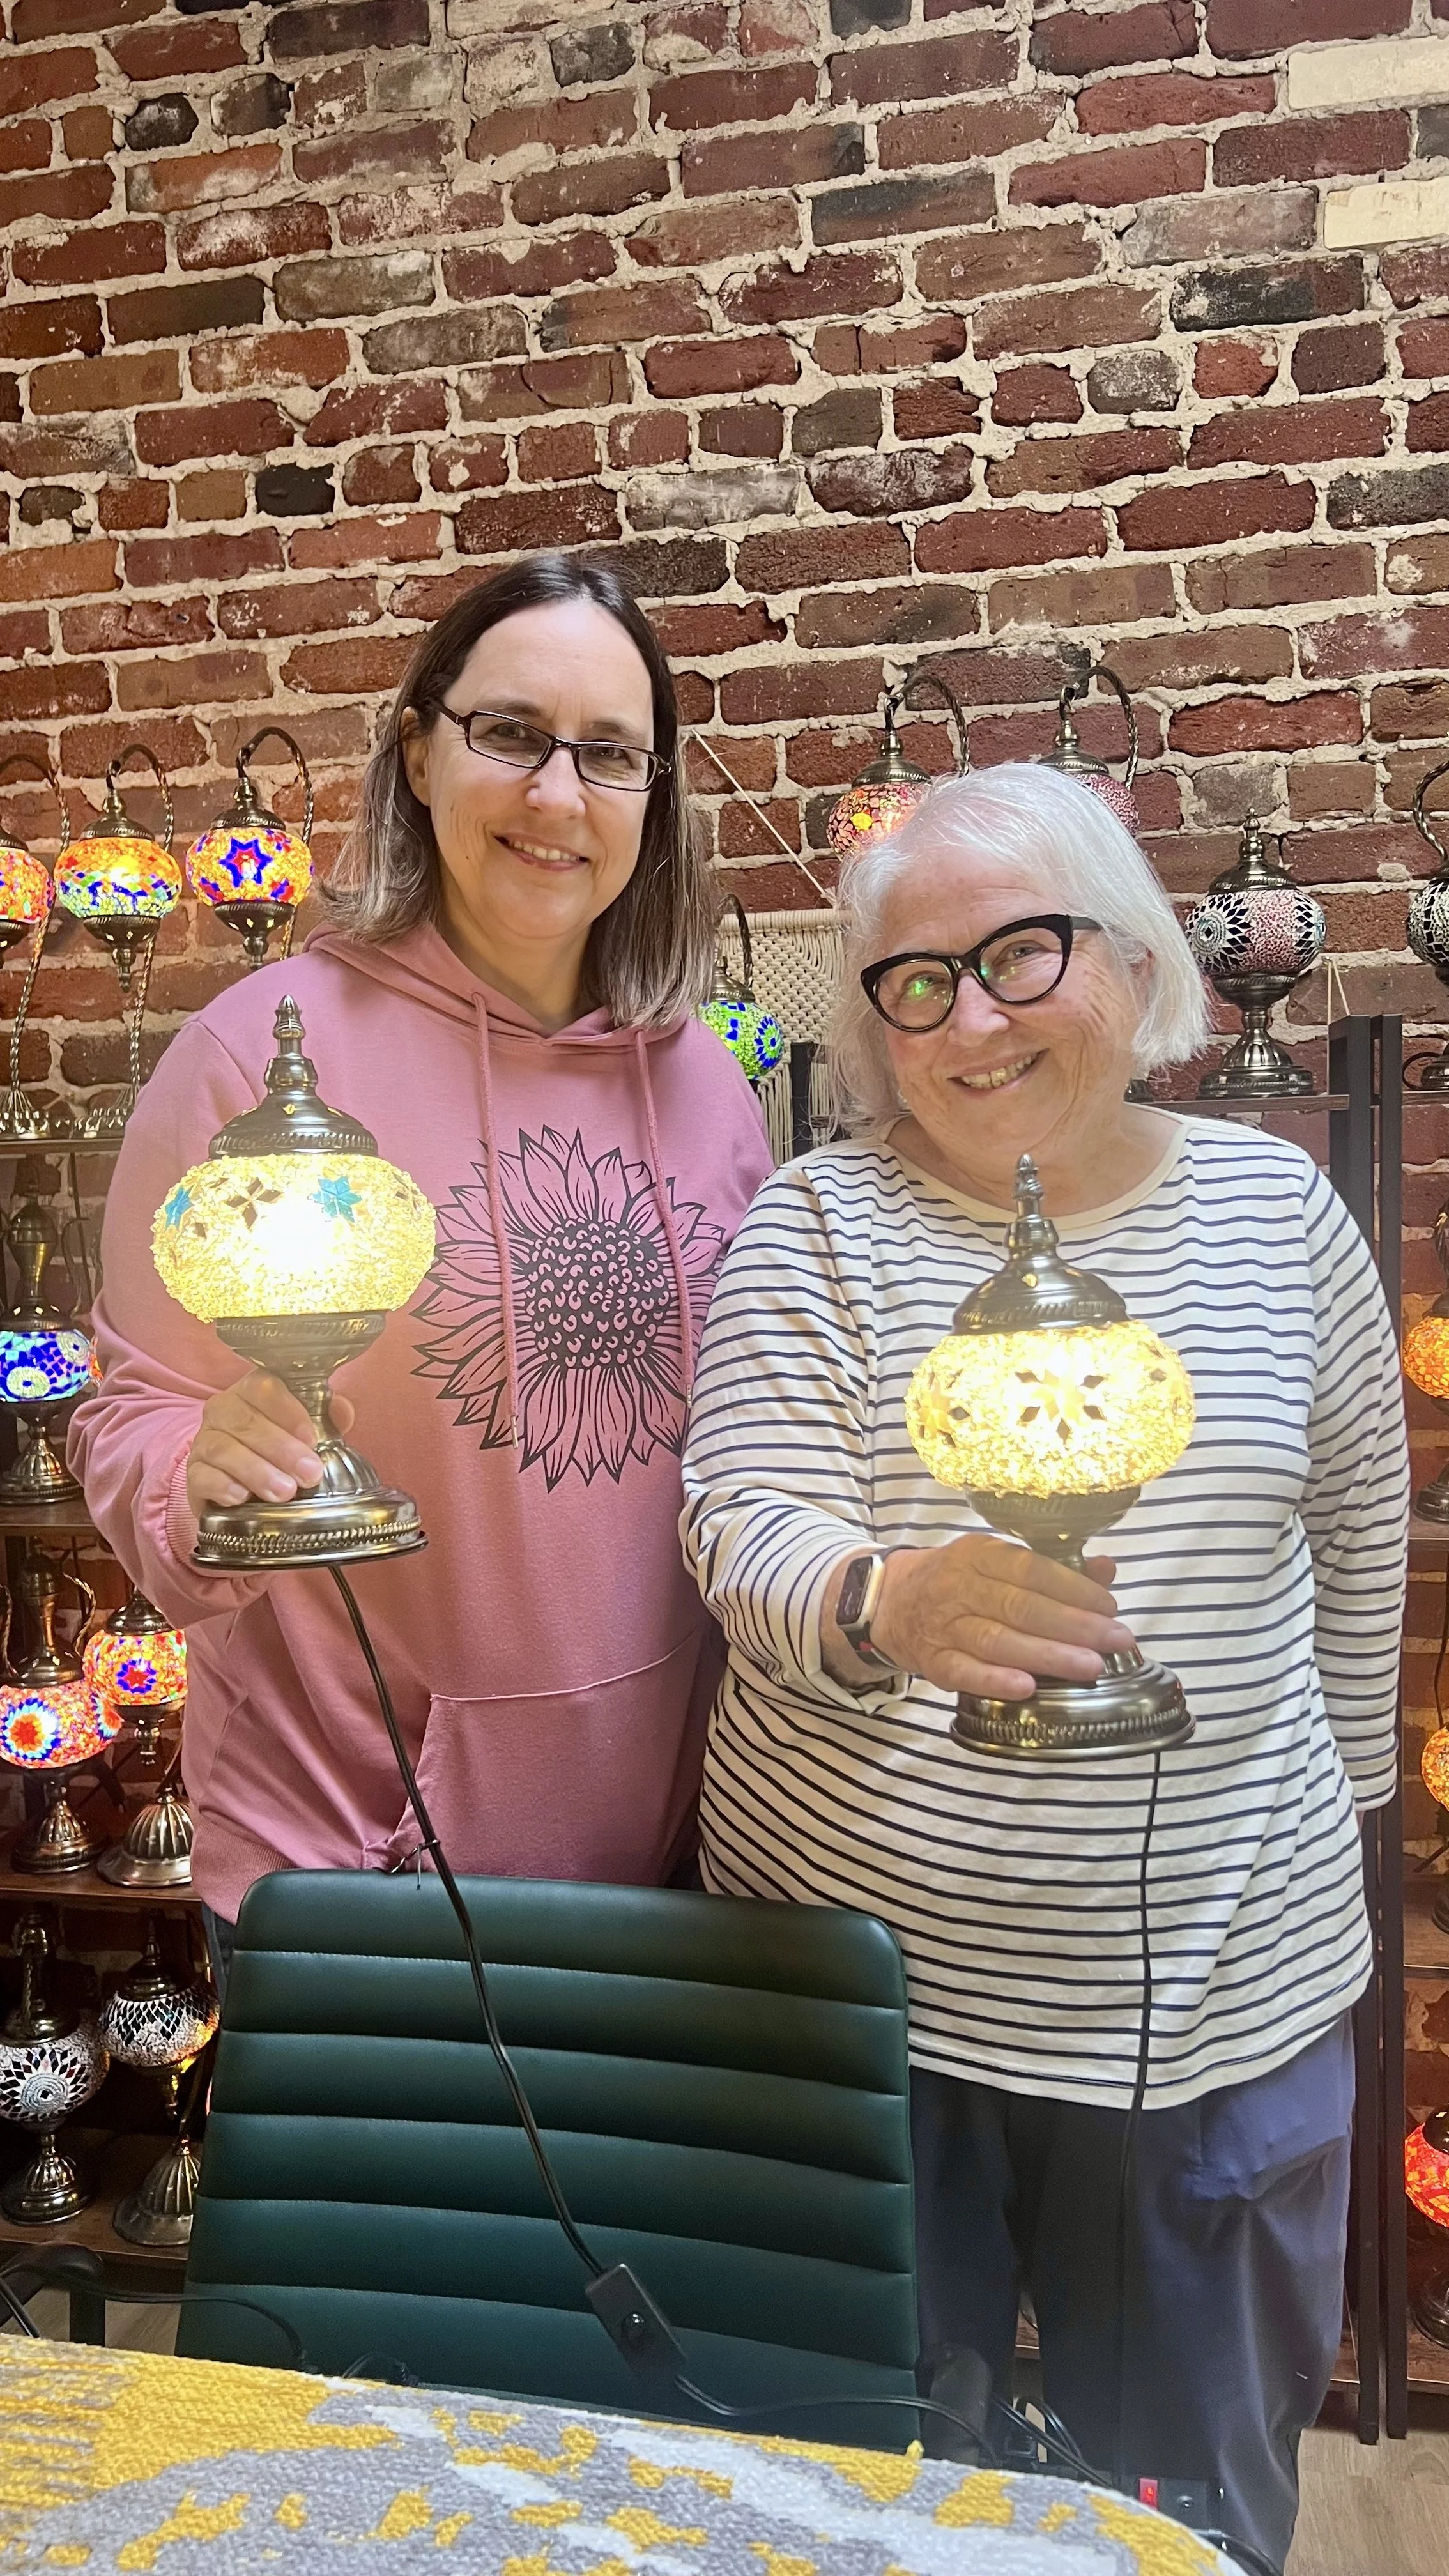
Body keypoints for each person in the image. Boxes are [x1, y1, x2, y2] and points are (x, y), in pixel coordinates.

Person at [679, 763, 1406, 2574]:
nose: (969, 1019)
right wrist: (881, 1602)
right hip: (858, 2006)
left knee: (1179, 2508)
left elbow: (1354, 1546)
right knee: (849, 2491)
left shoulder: (1273, 1215)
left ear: (1134, 953)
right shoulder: (817, 1228)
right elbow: (733, 1522)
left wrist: (1349, 1840)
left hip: (1215, 2010)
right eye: (914, 983)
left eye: (1020, 954)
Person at [72, 552, 772, 1968]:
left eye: (611, 755)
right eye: (510, 733)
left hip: (663, 1858)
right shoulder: (253, 1062)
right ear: (418, 747)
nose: (556, 797)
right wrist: (192, 1473)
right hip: (351, 1860)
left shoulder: (709, 1085)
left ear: (656, 794)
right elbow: (127, 1405)